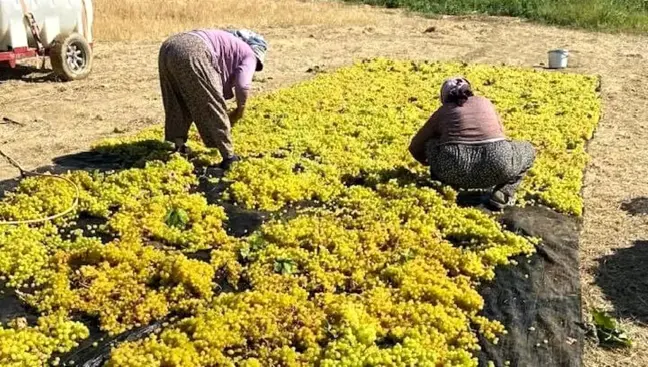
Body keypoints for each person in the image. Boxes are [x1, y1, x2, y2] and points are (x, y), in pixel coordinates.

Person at [408, 76, 536, 210]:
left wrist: (431, 163)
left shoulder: (443, 111)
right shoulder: (485, 102)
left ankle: (448, 186)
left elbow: (415, 146)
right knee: (528, 149)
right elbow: (501, 135)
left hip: (455, 168)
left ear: (444, 97)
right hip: (498, 163)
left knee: (431, 143)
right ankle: (503, 193)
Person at [158, 28, 268, 170]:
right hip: (194, 49)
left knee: (176, 99)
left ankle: (178, 145)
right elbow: (243, 86)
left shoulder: (227, 41)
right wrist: (240, 110)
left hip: (169, 46)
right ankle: (229, 157)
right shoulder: (249, 53)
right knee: (212, 104)